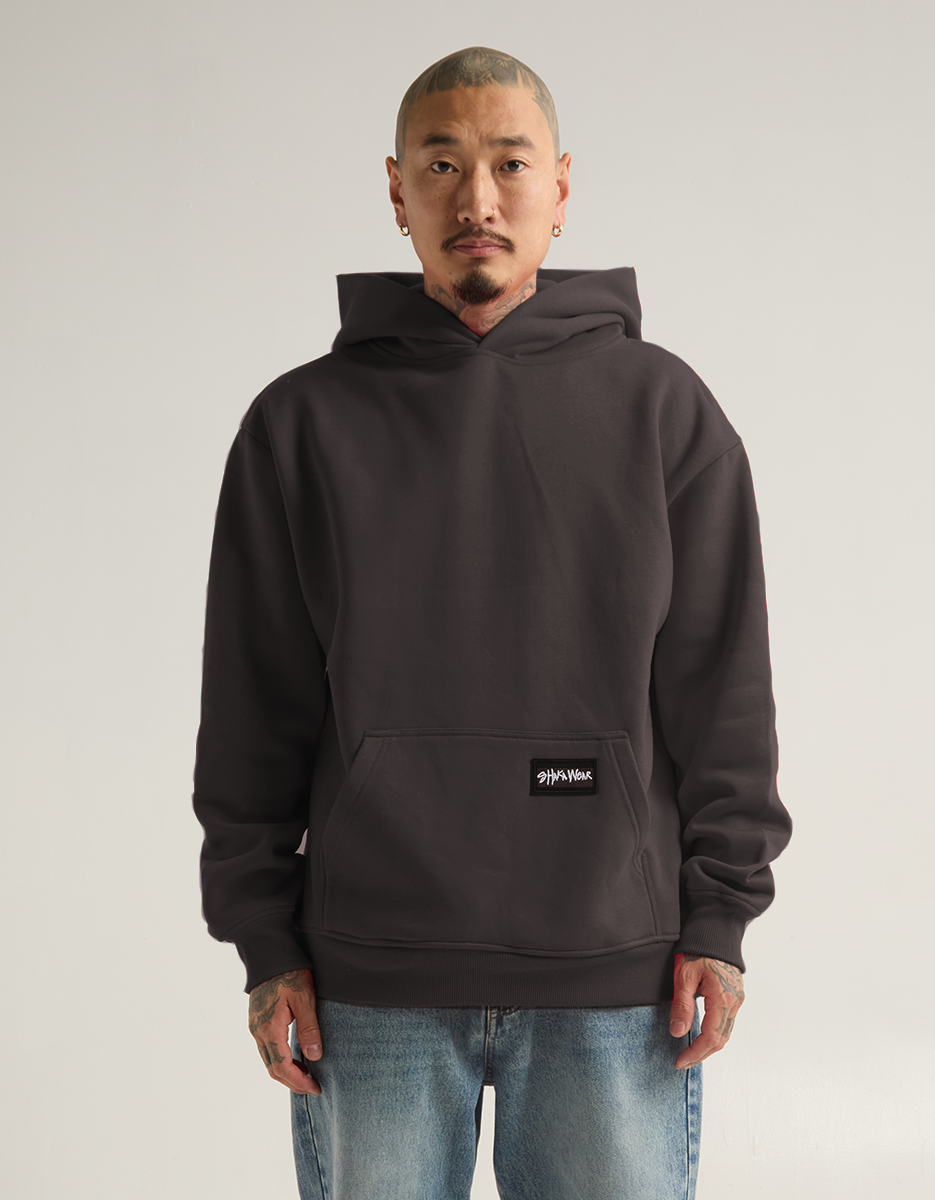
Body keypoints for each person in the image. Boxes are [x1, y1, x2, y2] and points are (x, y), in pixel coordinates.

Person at [192, 45, 792, 1200]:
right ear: (396, 189)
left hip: (617, 977)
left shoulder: (665, 412)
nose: (477, 198)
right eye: (442, 165)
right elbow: (253, 711)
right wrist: (266, 945)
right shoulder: (298, 427)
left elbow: (726, 693)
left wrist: (720, 920)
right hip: (368, 980)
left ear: (561, 188)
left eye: (510, 164)